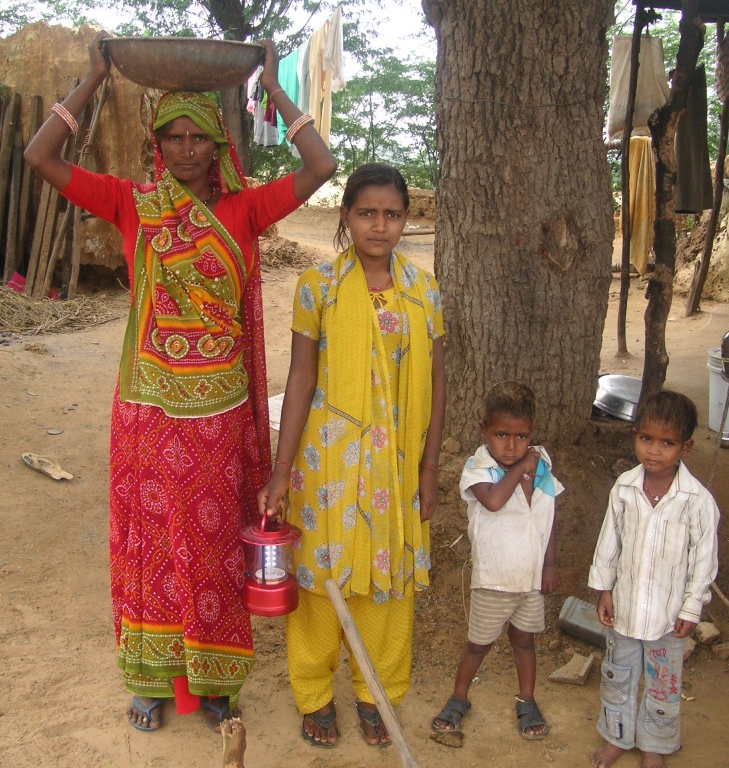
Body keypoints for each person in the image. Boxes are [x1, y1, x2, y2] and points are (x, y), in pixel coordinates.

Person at [24, 32, 336, 733]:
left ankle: (215, 677)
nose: (187, 149)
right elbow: (39, 157)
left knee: (213, 543)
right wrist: (93, 82)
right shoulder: (132, 204)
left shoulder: (244, 210)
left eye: (200, 137)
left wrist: (275, 88)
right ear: (157, 145)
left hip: (219, 411)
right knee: (155, 540)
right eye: (174, 137)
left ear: (220, 145)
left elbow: (322, 165)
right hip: (148, 408)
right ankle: (153, 675)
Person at [256, 163, 445, 749]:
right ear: (346, 218)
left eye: (392, 215)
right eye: (367, 213)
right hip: (328, 464)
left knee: (387, 585)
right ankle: (314, 694)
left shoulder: (424, 291)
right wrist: (281, 471)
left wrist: (430, 467)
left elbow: (437, 383)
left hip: (395, 466)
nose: (380, 226)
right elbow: (302, 377)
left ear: (406, 221)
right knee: (320, 583)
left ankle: (375, 695)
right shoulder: (319, 287)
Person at [588, 390, 719, 768]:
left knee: (663, 685)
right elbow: (608, 543)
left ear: (685, 447)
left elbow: (704, 560)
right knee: (617, 676)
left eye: (667, 442)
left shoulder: (696, 501)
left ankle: (655, 747)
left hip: (667, 617)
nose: (654, 451)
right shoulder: (625, 489)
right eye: (646, 439)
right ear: (634, 437)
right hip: (625, 610)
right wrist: (605, 591)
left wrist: (692, 607)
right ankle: (616, 737)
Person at [431, 382, 562, 742]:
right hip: (494, 578)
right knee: (479, 643)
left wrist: (549, 564)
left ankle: (528, 700)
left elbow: (546, 517)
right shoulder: (479, 468)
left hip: (529, 578)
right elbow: (493, 502)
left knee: (524, 641)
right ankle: (459, 697)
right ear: (483, 431)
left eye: (521, 437)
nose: (510, 444)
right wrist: (522, 465)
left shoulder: (542, 471)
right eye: (501, 434)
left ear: (531, 433)